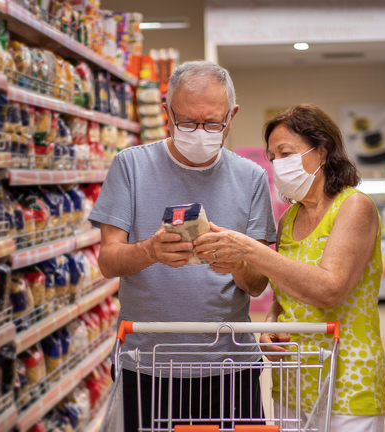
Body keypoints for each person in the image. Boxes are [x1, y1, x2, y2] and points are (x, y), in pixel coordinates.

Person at [89, 61, 277, 430]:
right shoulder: (130, 166)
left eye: (212, 123)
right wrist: (150, 251)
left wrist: (235, 261)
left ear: (232, 115)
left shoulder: (251, 177)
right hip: (147, 363)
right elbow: (108, 260)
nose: (199, 132)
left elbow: (257, 284)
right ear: (167, 112)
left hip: (228, 363)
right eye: (187, 122)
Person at [192, 104, 385, 431]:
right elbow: (286, 296)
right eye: (273, 157)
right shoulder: (289, 219)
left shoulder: (354, 207)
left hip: (346, 378)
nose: (279, 164)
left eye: (286, 153)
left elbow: (329, 289)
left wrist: (251, 249)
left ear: (322, 151)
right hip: (292, 379)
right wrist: (270, 325)